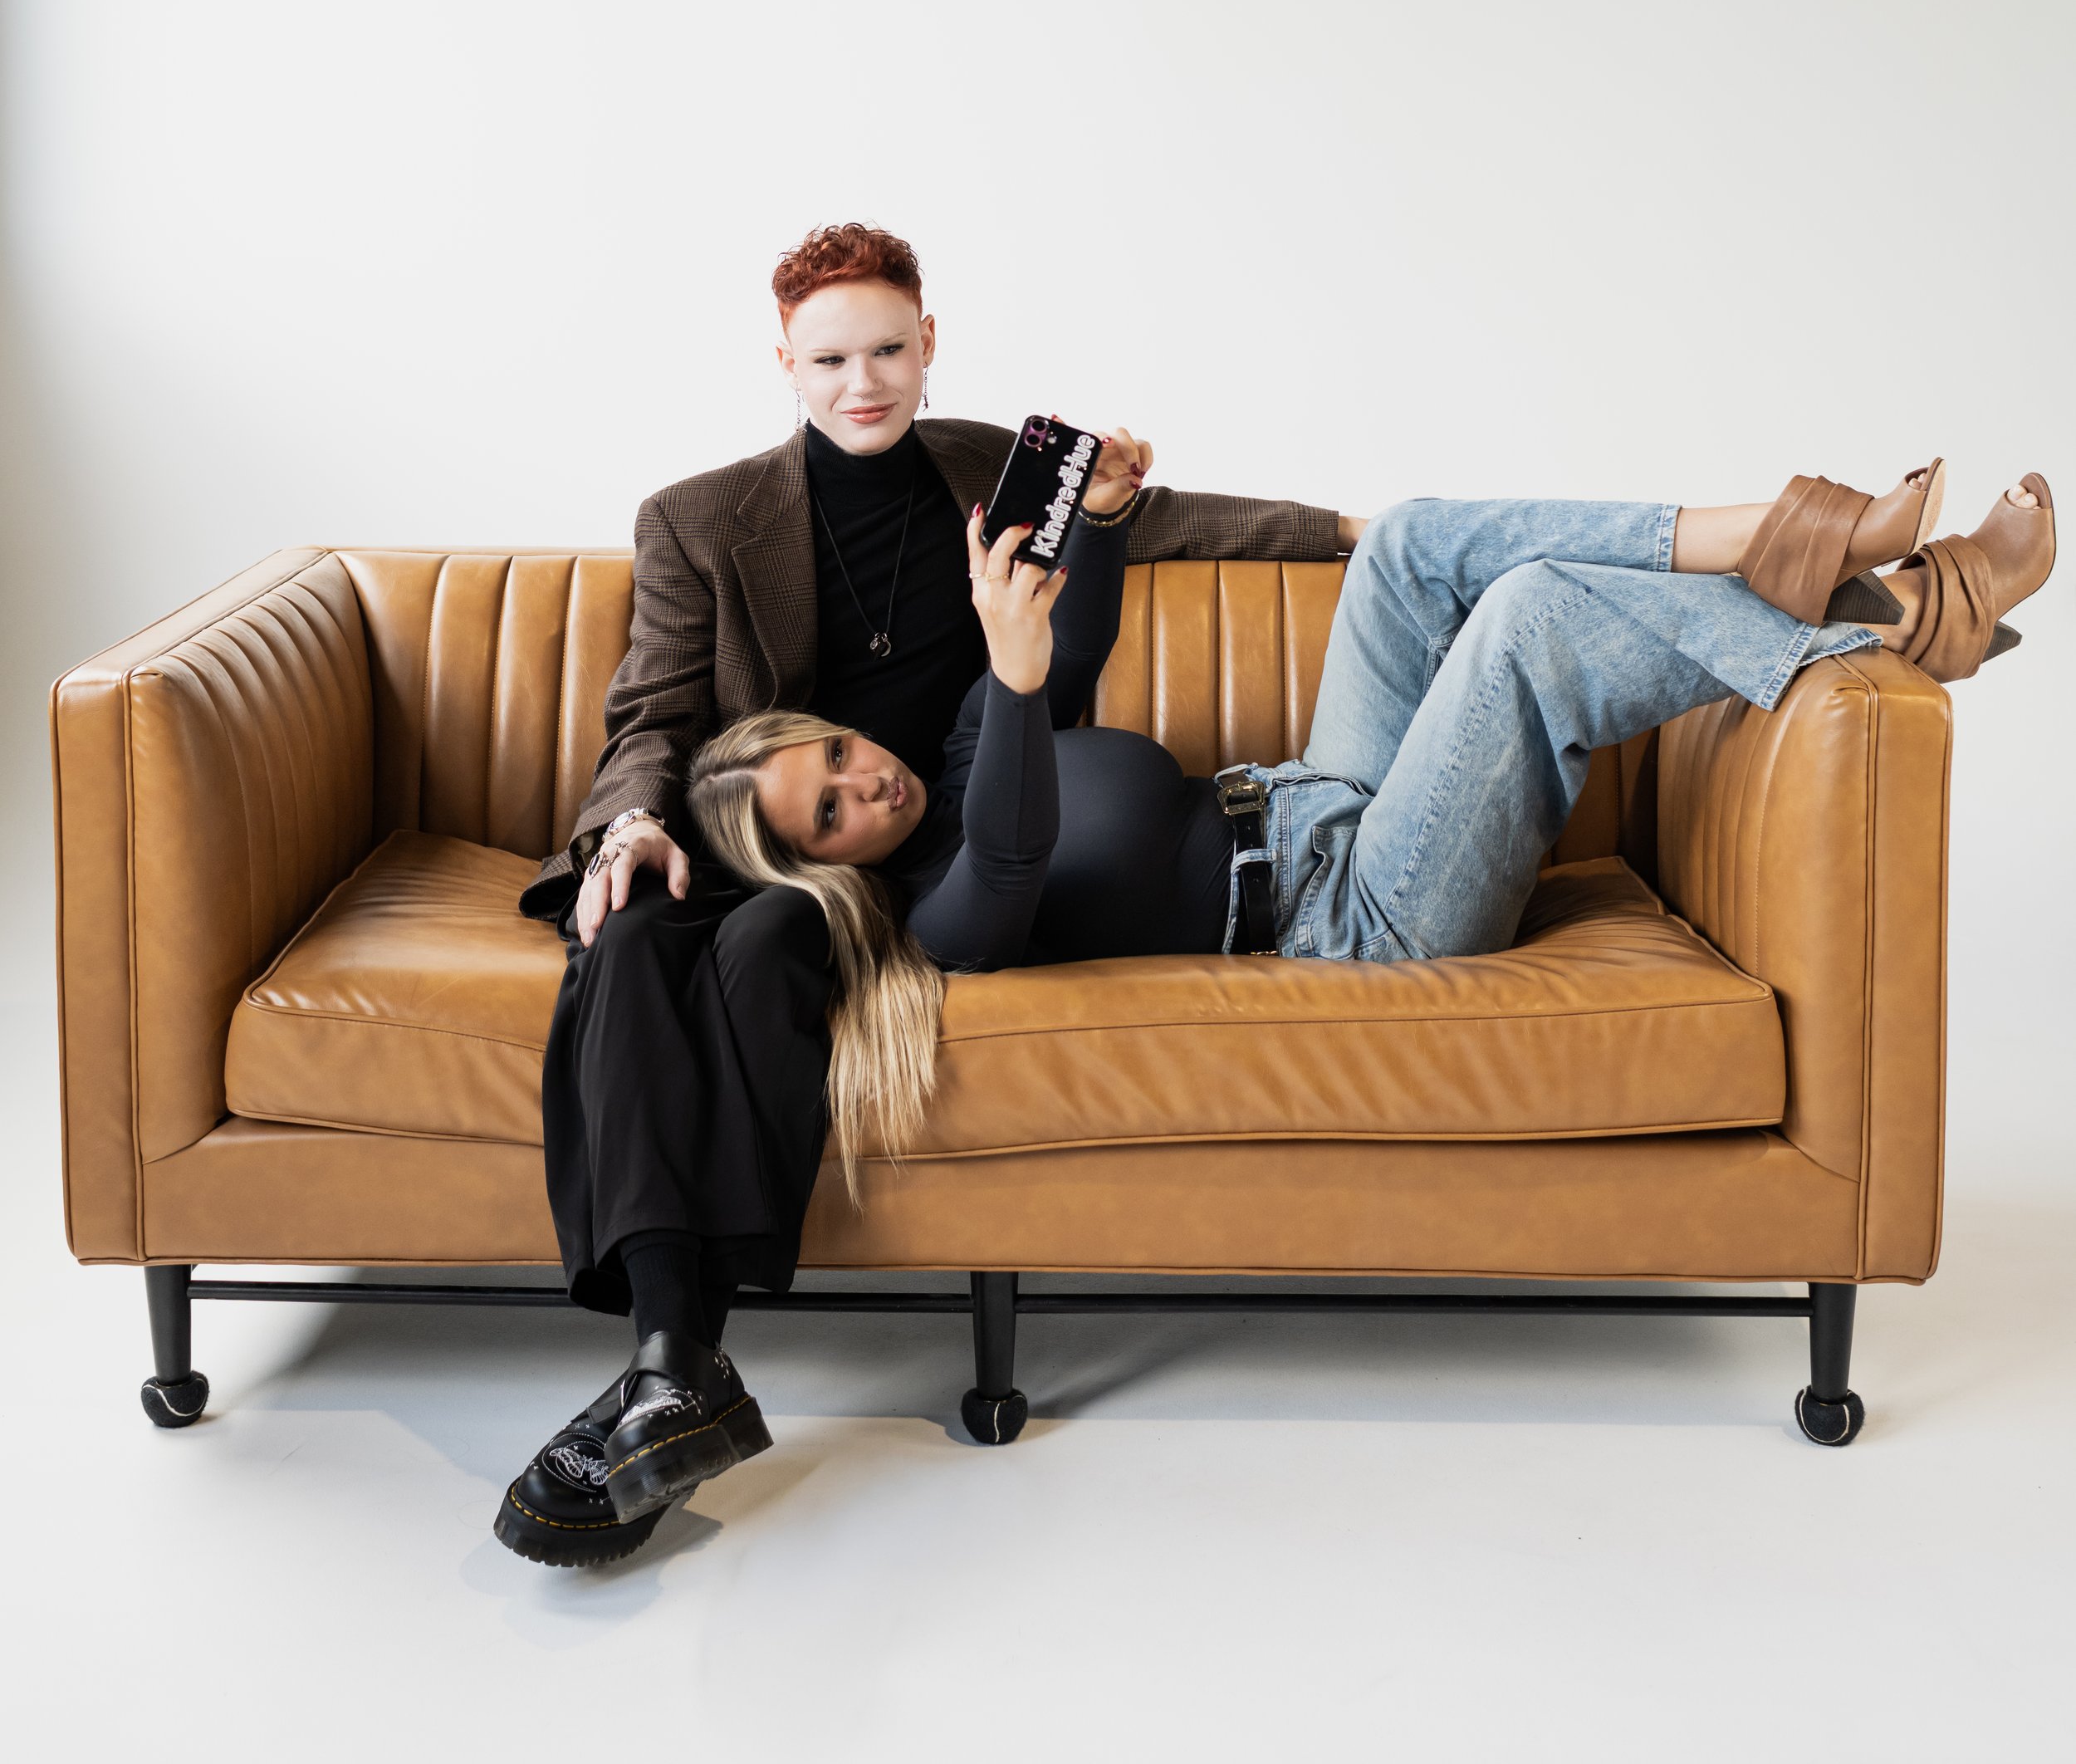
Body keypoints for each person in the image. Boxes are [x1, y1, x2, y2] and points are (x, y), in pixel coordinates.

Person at [672, 460, 2054, 1492]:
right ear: (825, 872)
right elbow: (1020, 846)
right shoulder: (935, 920)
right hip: (1360, 908)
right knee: (1522, 620)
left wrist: (1093, 525)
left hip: (1308, 801)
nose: (871, 781)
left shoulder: (959, 756)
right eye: (833, 810)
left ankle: (1781, 537)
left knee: (1407, 546)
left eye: (840, 754)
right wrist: (1019, 683)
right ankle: (1890, 623)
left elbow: (1064, 638)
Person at [494, 222, 1364, 1568]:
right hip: (793, 829)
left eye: (889, 348)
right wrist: (630, 827)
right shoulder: (700, 518)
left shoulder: (983, 469)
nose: (865, 384)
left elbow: (1185, 523)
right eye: (832, 358)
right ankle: (675, 1359)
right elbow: (654, 711)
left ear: (928, 340)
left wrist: (1350, 535)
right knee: (632, 934)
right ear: (784, 363)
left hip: (959, 830)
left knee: (769, 945)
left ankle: (675, 1369)